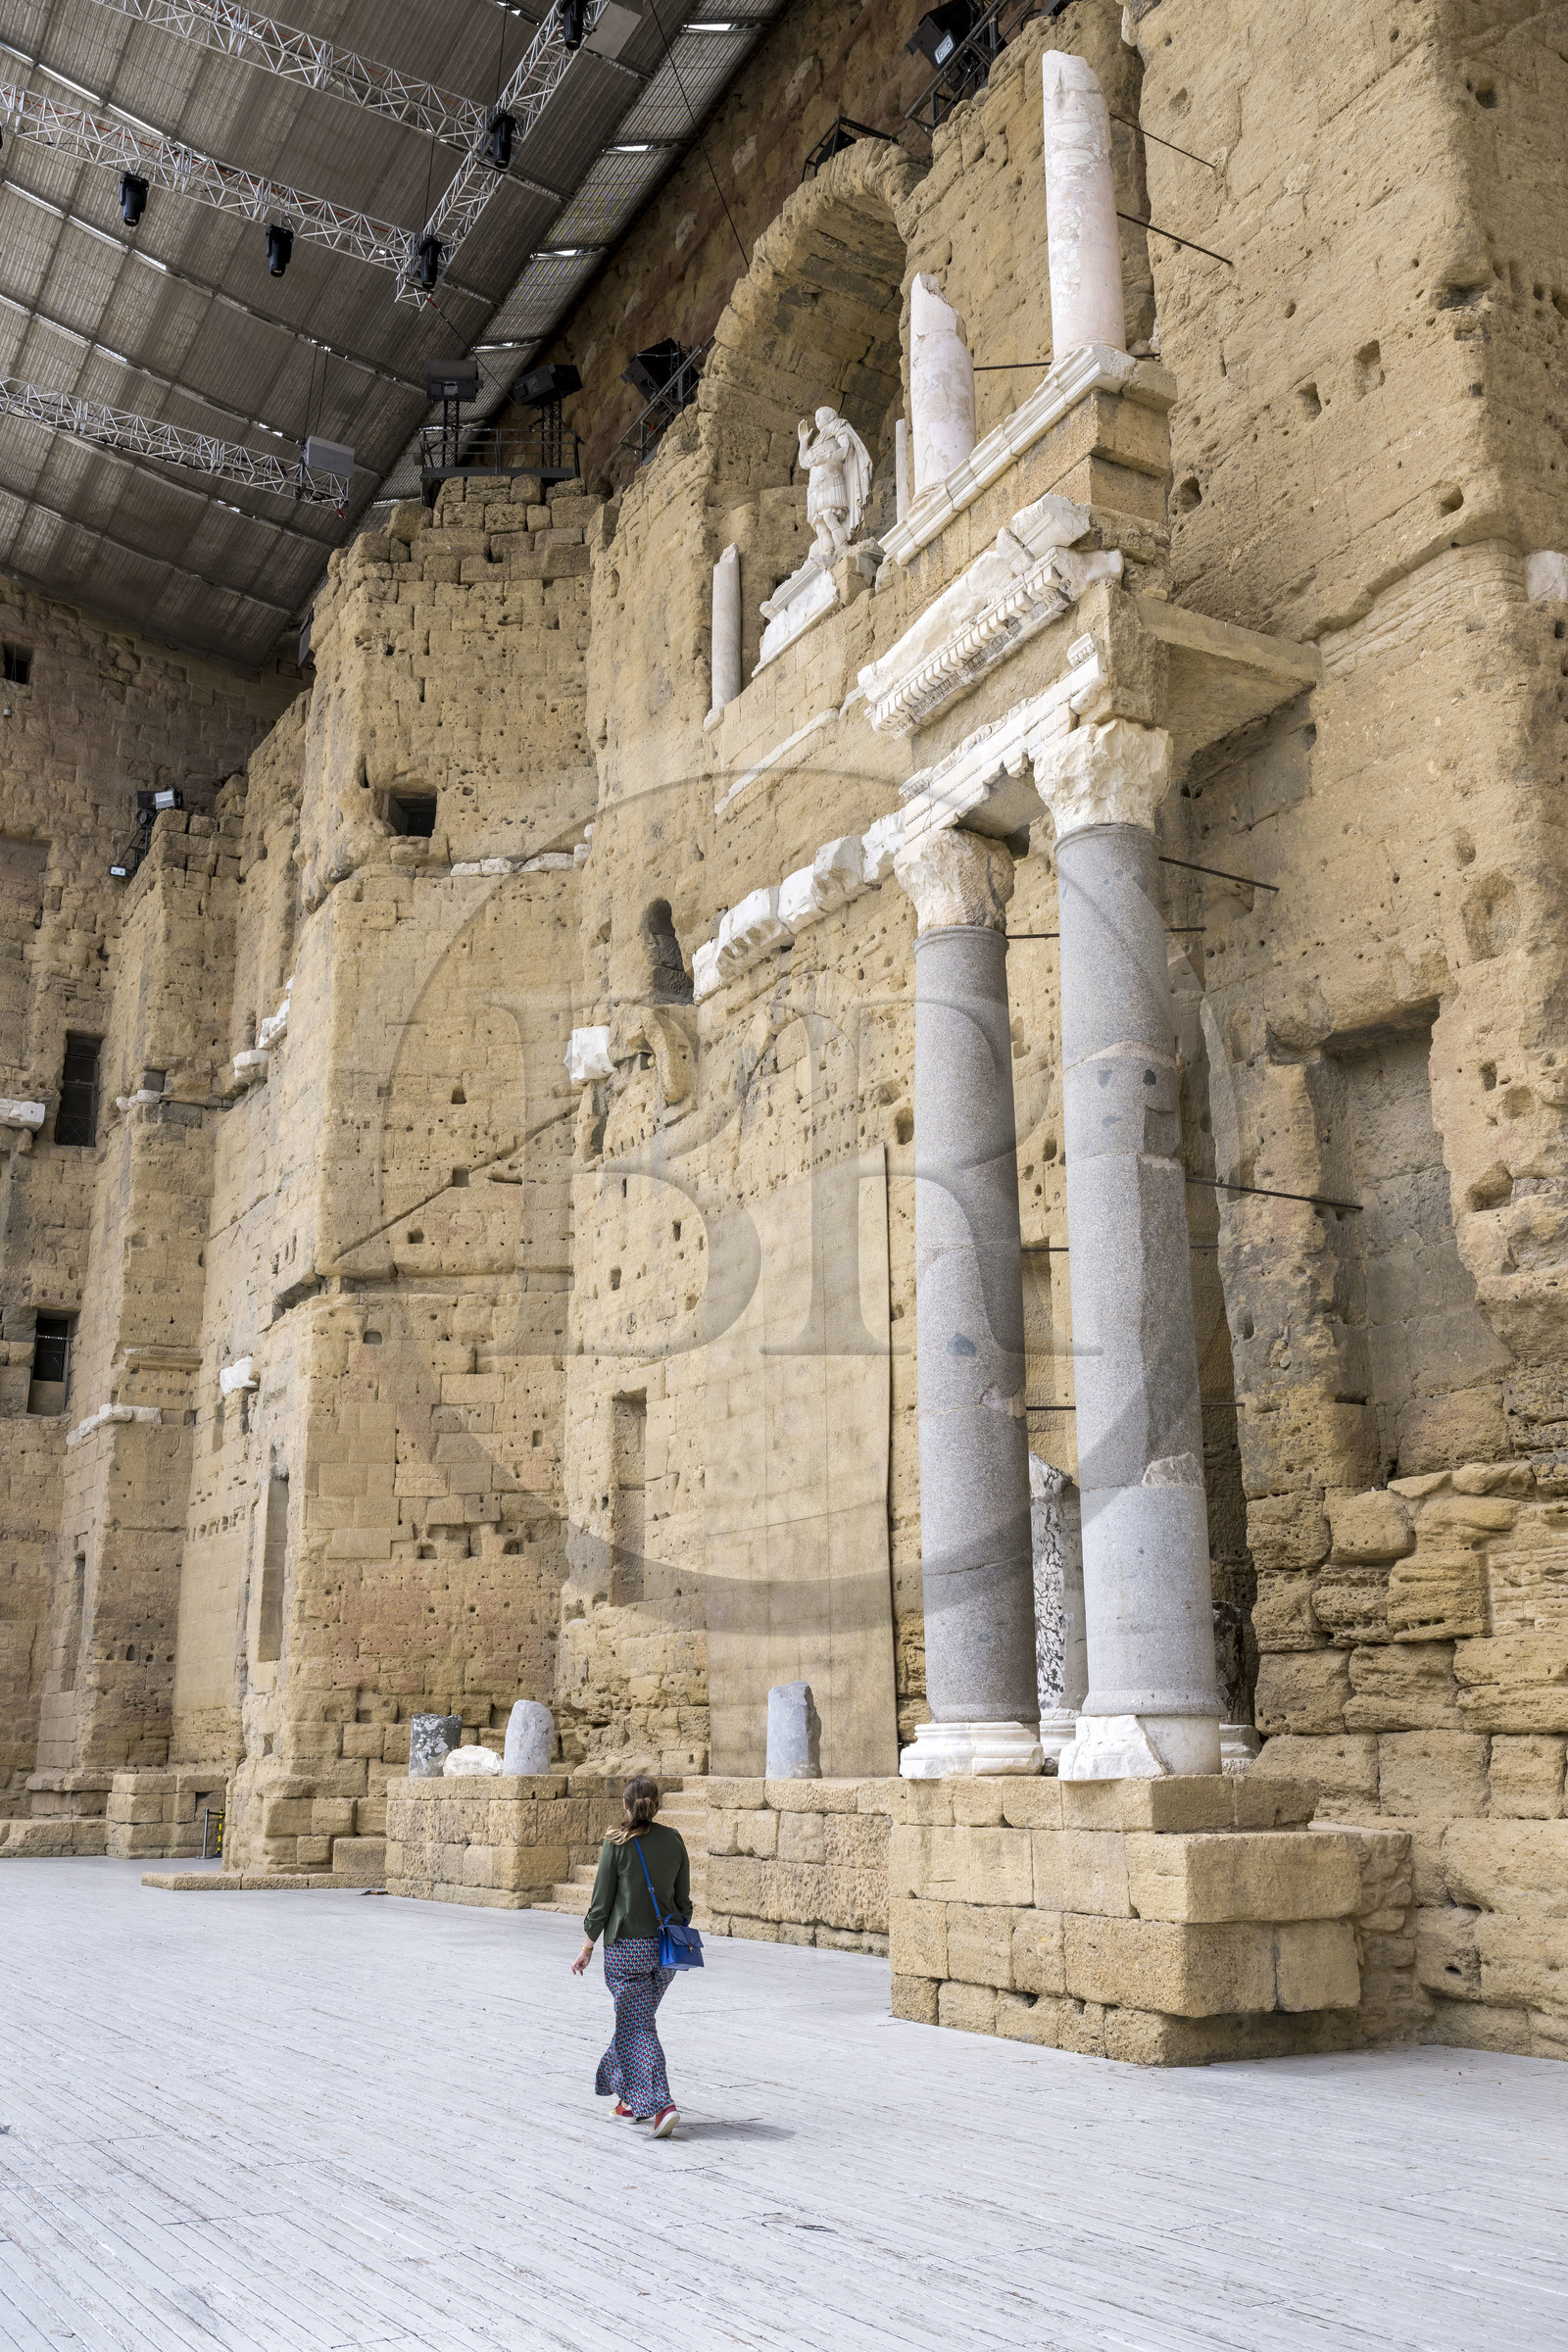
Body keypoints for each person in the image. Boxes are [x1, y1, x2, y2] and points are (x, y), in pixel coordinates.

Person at [571, 1775, 691, 2138]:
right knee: (635, 2020)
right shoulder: (674, 1840)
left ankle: (661, 2105)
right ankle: (628, 2102)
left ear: (625, 1805)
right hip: (666, 1950)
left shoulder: (616, 1842)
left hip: (627, 1950)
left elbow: (601, 1902)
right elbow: (684, 1902)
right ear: (656, 1804)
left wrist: (587, 1946)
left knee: (637, 2026)